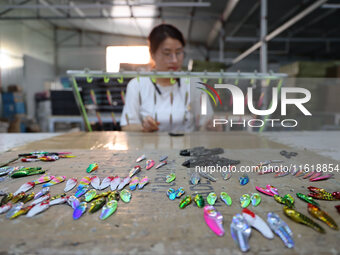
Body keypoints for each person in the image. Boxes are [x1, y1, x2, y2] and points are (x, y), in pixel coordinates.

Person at [120, 24, 213, 132]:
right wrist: (143, 127)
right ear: (152, 54)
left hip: (187, 147)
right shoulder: (137, 85)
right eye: (167, 53)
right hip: (149, 148)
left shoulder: (193, 84)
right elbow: (127, 126)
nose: (174, 60)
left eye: (178, 53)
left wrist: (211, 127)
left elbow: (206, 123)